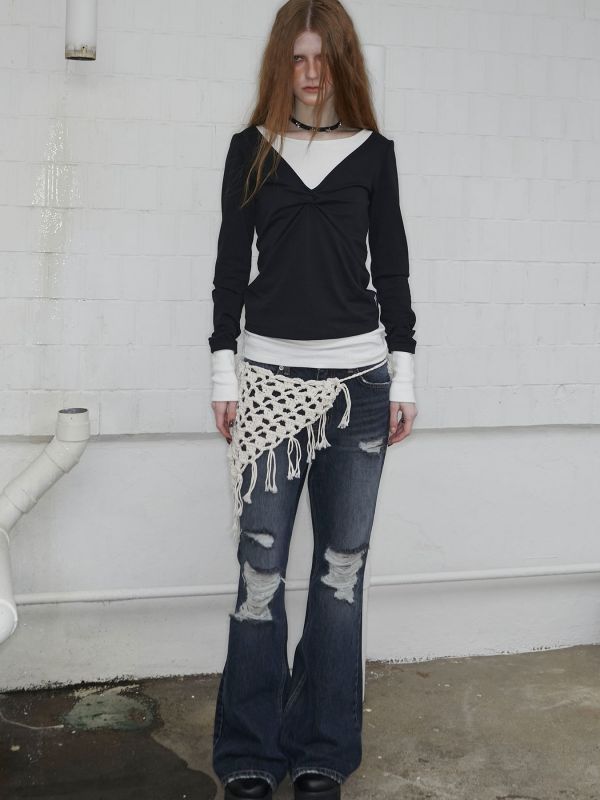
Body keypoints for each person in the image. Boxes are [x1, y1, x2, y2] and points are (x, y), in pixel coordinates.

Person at [208, 2, 417, 798]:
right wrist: (223, 373)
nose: (309, 73)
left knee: (340, 574)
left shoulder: (375, 155)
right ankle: (250, 753)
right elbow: (230, 269)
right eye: (296, 58)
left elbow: (391, 270)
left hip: (360, 386)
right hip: (267, 382)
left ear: (341, 64)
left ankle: (323, 750)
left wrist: (405, 377)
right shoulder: (251, 150)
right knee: (260, 569)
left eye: (322, 58)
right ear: (280, 64)